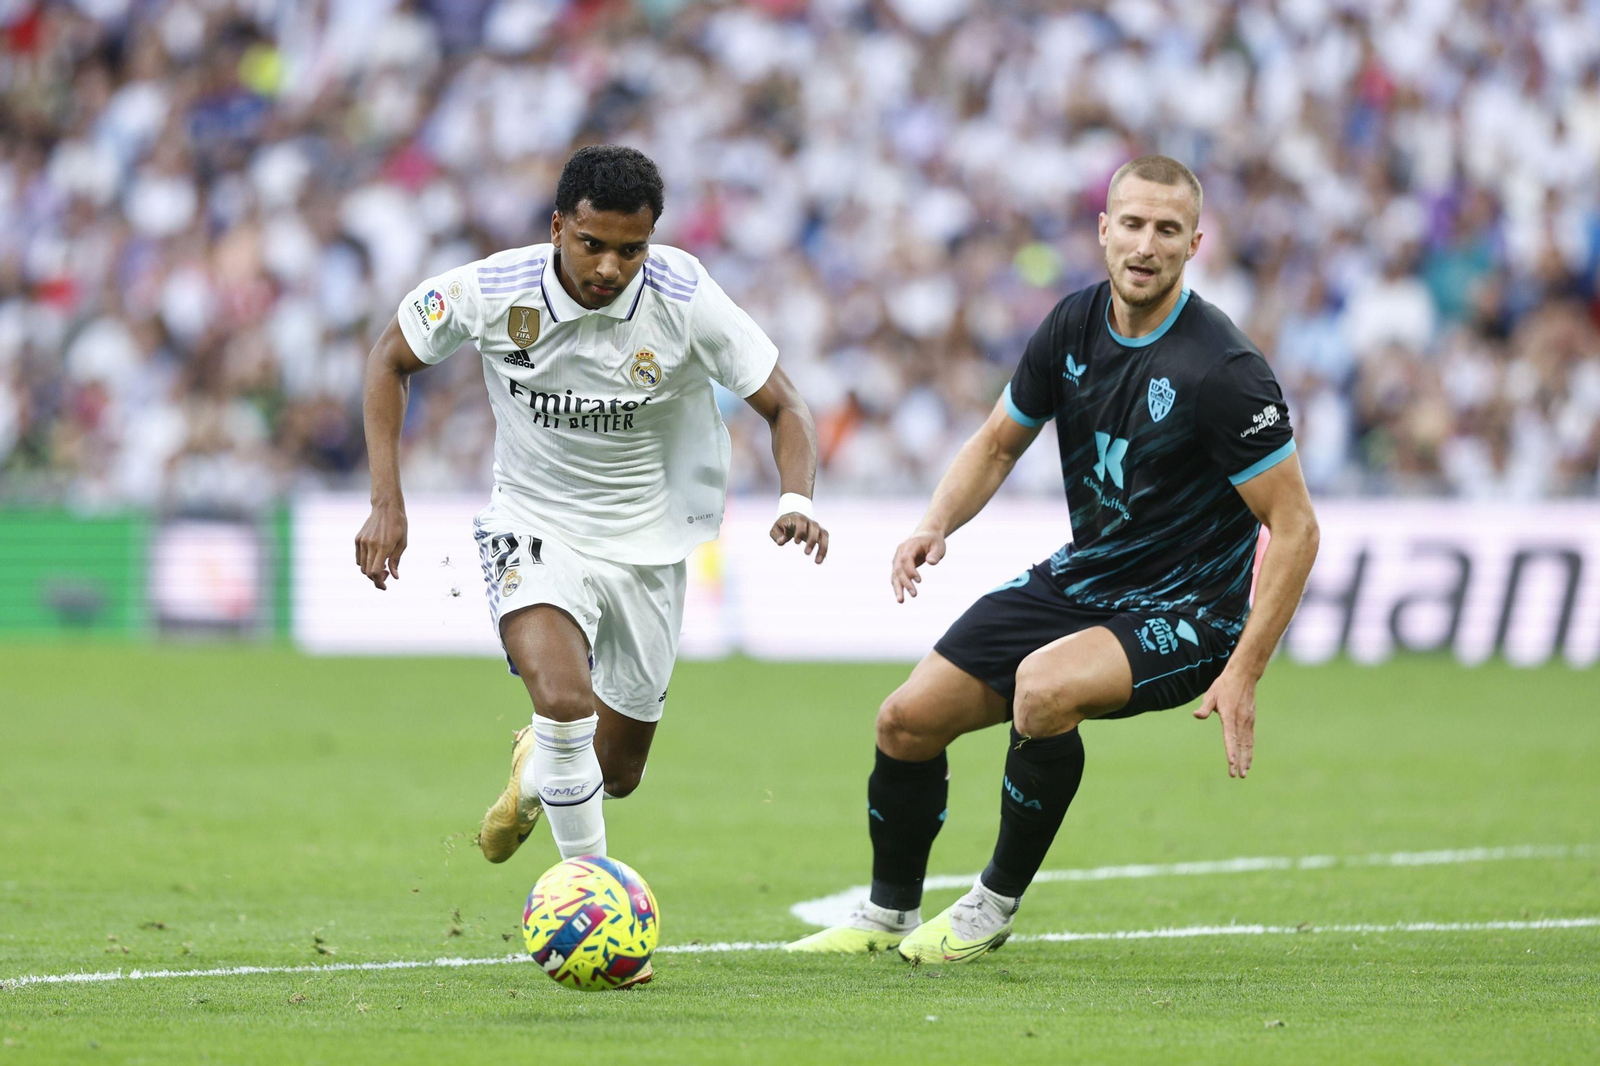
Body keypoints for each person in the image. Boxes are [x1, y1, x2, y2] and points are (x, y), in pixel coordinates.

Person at [787, 156, 1319, 963]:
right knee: (903, 722)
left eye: (1167, 230)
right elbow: (1000, 441)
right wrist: (937, 524)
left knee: (1043, 691)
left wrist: (1244, 669)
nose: (1146, 244)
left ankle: (990, 906)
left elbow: (1296, 525)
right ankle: (887, 915)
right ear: (1104, 231)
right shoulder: (1071, 325)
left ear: (1194, 244)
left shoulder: (1225, 371)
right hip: (1087, 577)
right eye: (1132, 224)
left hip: (1188, 611)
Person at [356, 145, 827, 907]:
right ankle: (591, 903)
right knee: (565, 700)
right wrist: (387, 499)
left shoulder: (683, 295)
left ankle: (535, 766)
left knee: (616, 772)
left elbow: (787, 406)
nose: (611, 267)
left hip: (648, 543)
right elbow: (389, 359)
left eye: (631, 249)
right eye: (593, 245)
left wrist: (796, 499)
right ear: (556, 228)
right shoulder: (492, 289)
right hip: (532, 522)